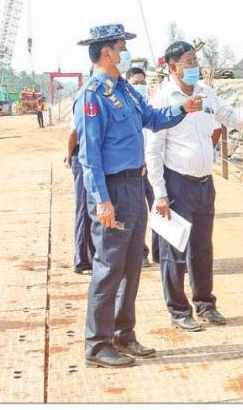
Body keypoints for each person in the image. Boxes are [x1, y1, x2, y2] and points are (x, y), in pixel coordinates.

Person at [74, 24, 204, 368]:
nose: (126, 52)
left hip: (134, 186)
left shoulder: (125, 91)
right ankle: (96, 344)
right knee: (108, 268)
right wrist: (101, 200)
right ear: (107, 53)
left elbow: (152, 118)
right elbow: (89, 155)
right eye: (121, 47)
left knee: (131, 265)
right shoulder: (92, 96)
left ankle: (123, 333)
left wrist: (183, 109)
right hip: (112, 190)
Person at [146, 41, 243, 332]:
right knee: (174, 251)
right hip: (176, 183)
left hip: (204, 184)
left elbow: (233, 119)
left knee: (202, 248)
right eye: (188, 62)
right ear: (173, 67)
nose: (195, 66)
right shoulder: (162, 100)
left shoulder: (206, 93)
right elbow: (152, 150)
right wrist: (160, 193)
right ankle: (179, 310)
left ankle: (205, 303)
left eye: (196, 61)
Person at [126, 66, 156, 267]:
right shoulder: (124, 108)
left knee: (160, 209)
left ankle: (161, 252)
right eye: (136, 83)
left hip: (153, 166)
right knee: (137, 214)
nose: (140, 86)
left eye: (142, 83)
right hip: (134, 169)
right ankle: (141, 253)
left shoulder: (150, 106)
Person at [66, 93, 95, 275]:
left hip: (90, 157)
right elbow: (74, 133)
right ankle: (82, 260)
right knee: (84, 209)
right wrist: (69, 155)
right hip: (83, 158)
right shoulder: (86, 101)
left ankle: (91, 257)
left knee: (91, 210)